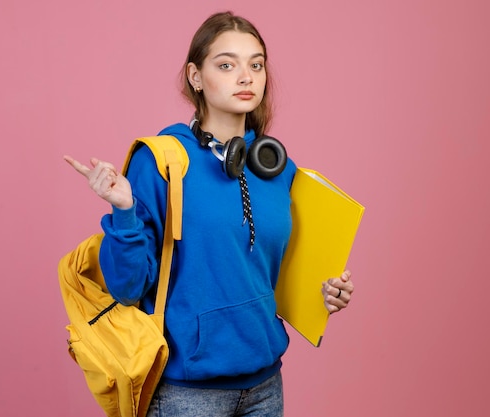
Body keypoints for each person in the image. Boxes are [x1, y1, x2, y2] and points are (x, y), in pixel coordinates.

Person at [63, 11, 355, 417]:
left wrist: (323, 293)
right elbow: (128, 289)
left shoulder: (276, 168)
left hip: (266, 385)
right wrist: (124, 210)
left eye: (256, 64)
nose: (246, 76)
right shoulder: (163, 160)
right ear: (195, 77)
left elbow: (276, 272)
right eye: (226, 64)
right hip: (187, 394)